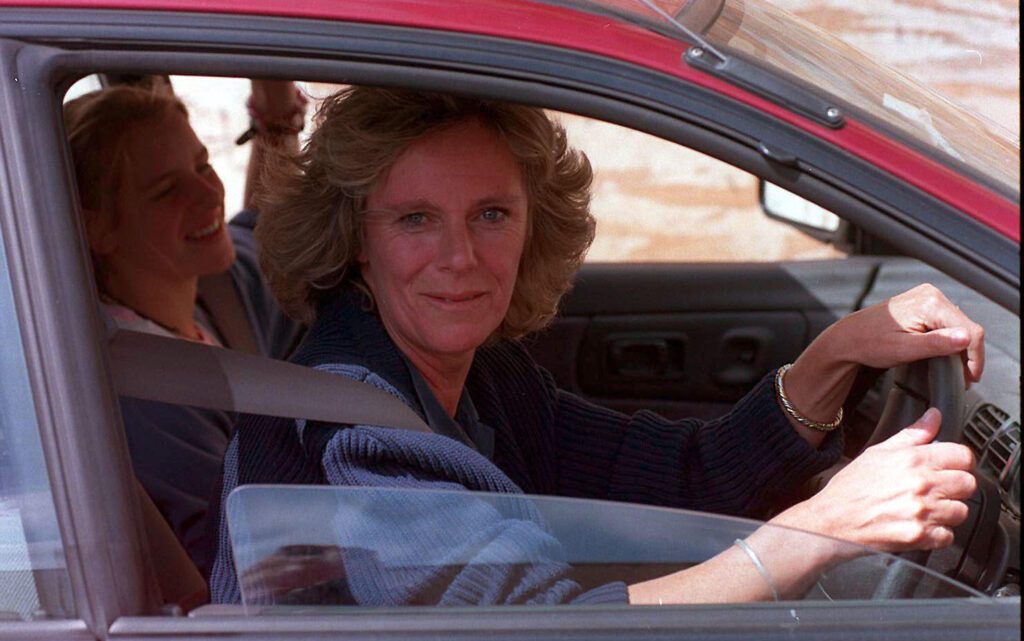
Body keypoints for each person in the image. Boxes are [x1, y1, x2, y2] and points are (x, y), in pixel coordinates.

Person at [210, 86, 983, 605]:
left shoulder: (485, 378)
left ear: (532, 225)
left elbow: (689, 477)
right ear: (356, 240)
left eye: (490, 214)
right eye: (414, 218)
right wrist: (822, 531)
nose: (460, 257)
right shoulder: (362, 430)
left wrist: (835, 355)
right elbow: (556, 625)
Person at [64, 79, 305, 574]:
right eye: (166, 190)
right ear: (96, 226)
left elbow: (268, 221)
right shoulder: (149, 403)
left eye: (201, 164)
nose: (208, 192)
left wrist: (276, 115)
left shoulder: (213, 295)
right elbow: (257, 567)